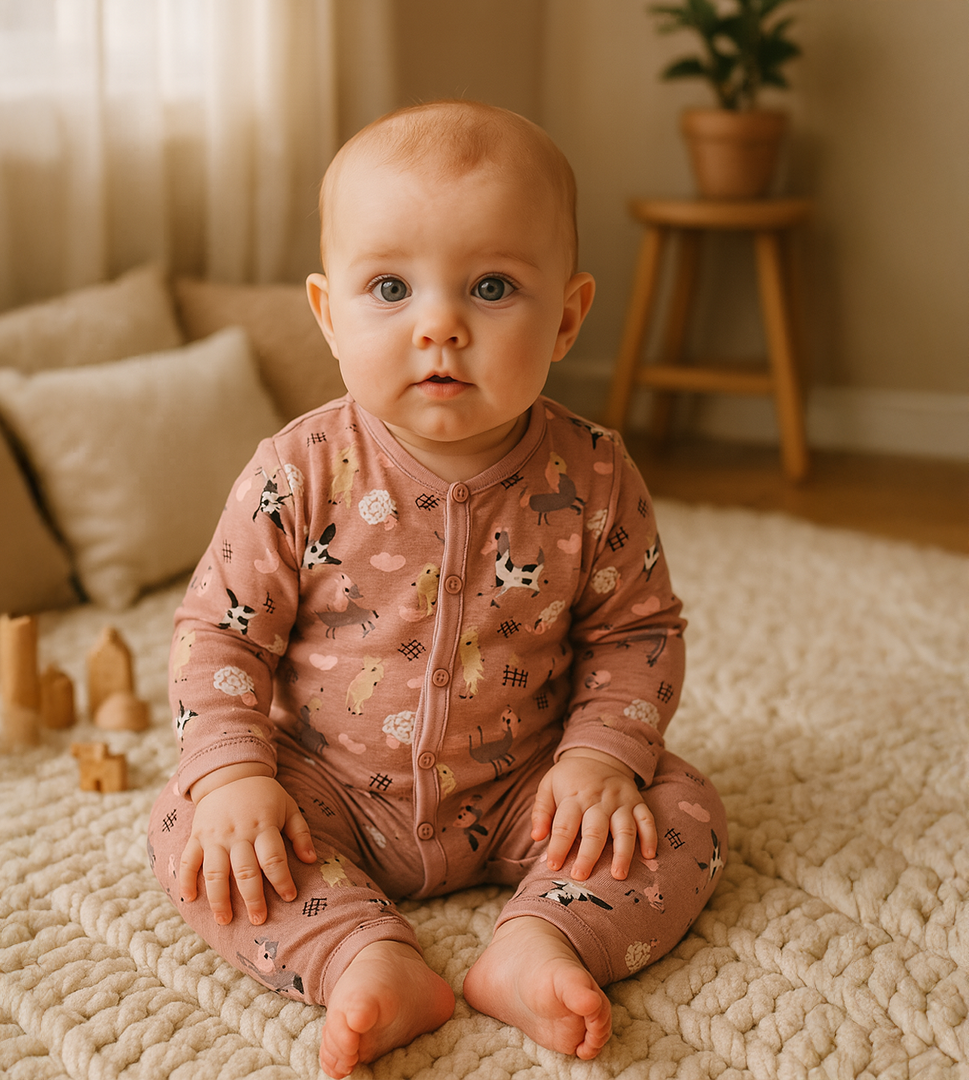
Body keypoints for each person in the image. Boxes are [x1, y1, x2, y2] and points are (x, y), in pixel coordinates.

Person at [148, 99, 726, 1079]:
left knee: (682, 808)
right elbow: (220, 635)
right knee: (189, 826)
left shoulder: (593, 474)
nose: (440, 326)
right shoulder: (298, 471)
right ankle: (355, 952)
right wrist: (235, 777)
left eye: (492, 287)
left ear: (566, 317)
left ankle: (543, 940)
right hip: (330, 793)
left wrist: (600, 759)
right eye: (390, 287)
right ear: (328, 315)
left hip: (531, 789)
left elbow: (637, 634)